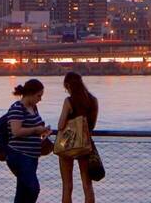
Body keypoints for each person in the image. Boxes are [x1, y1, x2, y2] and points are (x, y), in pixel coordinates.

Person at [2, 79, 53, 203]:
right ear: (30, 93)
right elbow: (16, 131)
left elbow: (32, 127)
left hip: (31, 156)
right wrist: (36, 130)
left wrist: (43, 132)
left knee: (23, 190)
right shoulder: (17, 108)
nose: (40, 99)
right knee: (33, 188)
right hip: (19, 155)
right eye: (38, 96)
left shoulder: (33, 108)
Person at [55, 73, 98, 203]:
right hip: (85, 144)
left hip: (67, 144)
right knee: (87, 185)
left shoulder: (69, 101)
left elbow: (61, 125)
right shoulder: (93, 100)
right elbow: (92, 125)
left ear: (68, 85)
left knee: (67, 186)